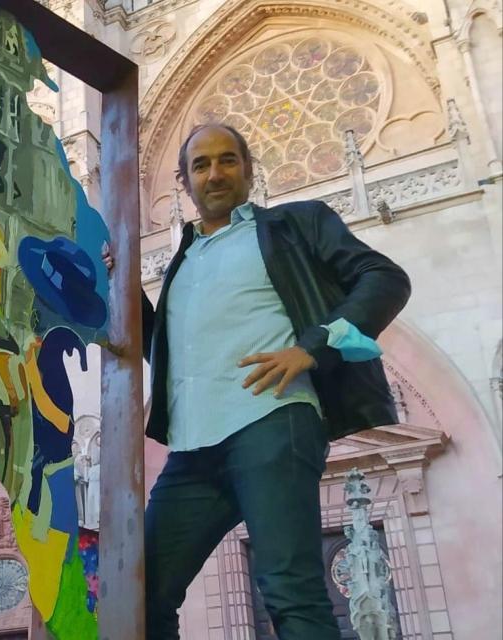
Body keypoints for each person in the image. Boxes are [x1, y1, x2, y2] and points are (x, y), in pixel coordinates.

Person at [106, 123, 410, 639]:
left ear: (249, 170)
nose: (215, 173)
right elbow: (164, 344)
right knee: (140, 594)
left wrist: (312, 347)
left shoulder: (296, 224)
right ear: (184, 181)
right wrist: (122, 286)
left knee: (290, 594)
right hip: (193, 446)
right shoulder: (183, 261)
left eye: (228, 160)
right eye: (200, 165)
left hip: (272, 423)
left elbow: (385, 278)